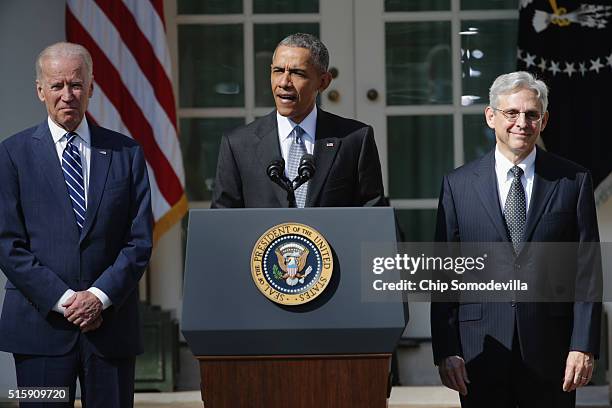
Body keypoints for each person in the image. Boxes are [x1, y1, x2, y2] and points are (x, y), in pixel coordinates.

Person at [431, 71, 601, 407]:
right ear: (491, 116)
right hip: (480, 350)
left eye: (531, 114)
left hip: (552, 353)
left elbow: (586, 271)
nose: (521, 122)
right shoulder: (457, 185)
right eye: (511, 113)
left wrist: (582, 345)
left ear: (544, 120)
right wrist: (447, 349)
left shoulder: (573, 180)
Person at [0, 42, 153, 407]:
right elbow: (7, 243)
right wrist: (67, 300)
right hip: (40, 333)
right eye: (57, 86)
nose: (67, 95)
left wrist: (99, 299)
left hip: (110, 330)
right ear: (40, 90)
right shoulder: (11, 155)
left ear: (91, 87)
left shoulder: (126, 153)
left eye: (76, 84)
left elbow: (140, 240)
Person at [211, 33, 386, 208]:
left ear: (323, 82)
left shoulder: (355, 140)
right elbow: (222, 220)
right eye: (278, 71)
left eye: (297, 73)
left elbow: (373, 215)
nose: (284, 82)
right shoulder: (238, 144)